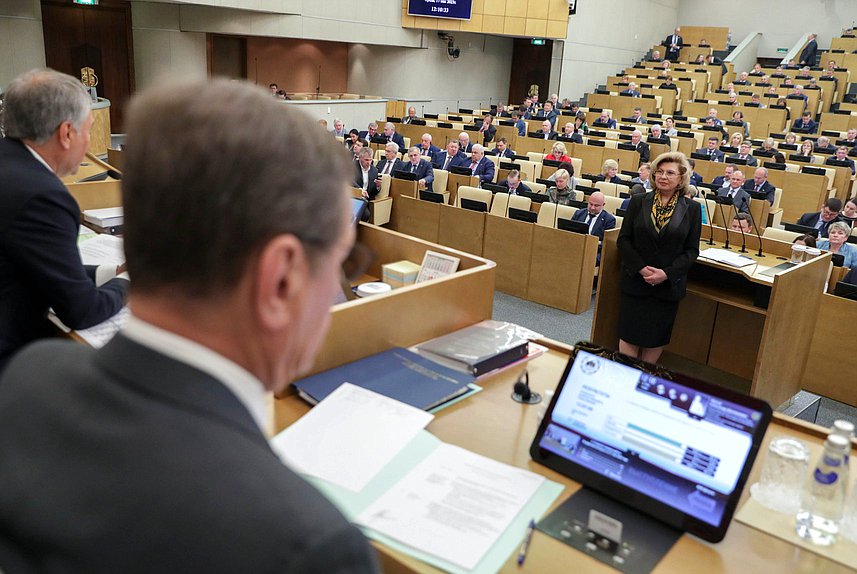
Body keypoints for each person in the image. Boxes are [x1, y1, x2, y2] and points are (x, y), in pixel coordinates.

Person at [0, 78, 379, 572]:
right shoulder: (309, 546)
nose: (334, 289)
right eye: (341, 264)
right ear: (280, 278)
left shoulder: (30, 378)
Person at [0, 69, 129, 373]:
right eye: (88, 130)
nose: (87, 142)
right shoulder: (43, 196)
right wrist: (131, 282)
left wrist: (113, 271)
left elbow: (42, 267)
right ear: (67, 133)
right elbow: (82, 312)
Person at [617, 151, 702, 362]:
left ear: (681, 178)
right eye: (659, 172)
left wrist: (666, 274)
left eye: (670, 173)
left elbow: (691, 250)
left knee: (655, 338)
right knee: (629, 334)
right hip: (636, 281)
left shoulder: (692, 209)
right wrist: (641, 268)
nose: (663, 177)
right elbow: (624, 240)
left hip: (666, 287)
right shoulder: (638, 201)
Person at [572, 192, 616, 262]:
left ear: (603, 205)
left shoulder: (609, 220)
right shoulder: (578, 213)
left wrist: (593, 242)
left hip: (594, 251)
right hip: (576, 247)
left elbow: (607, 244)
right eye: (590, 204)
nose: (592, 208)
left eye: (596, 205)